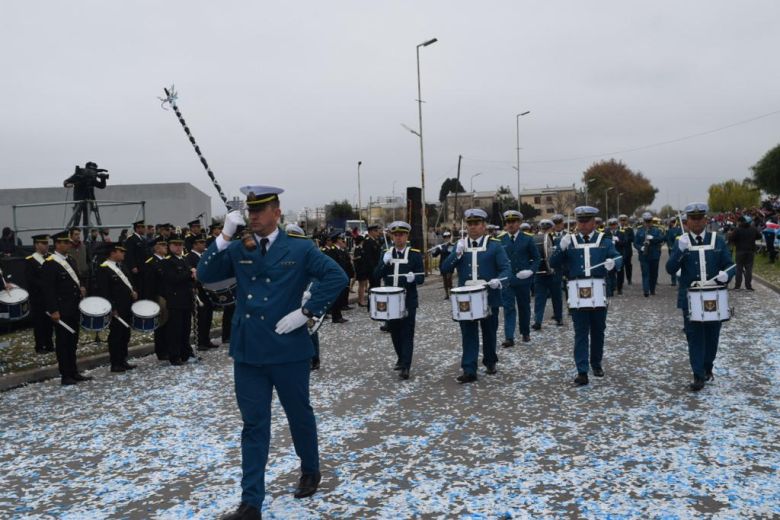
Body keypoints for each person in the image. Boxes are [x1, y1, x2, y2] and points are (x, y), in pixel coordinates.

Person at [197, 186, 346, 518]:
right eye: (249, 212)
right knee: (253, 426)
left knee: (299, 415)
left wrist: (307, 313)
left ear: (277, 212)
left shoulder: (300, 248)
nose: (253, 217)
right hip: (249, 352)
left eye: (259, 211)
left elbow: (337, 276)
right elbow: (205, 274)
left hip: (288, 350)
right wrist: (224, 234)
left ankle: (310, 468)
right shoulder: (239, 248)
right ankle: (251, 502)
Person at [550, 206, 623, 386]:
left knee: (598, 330)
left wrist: (612, 262)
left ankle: (596, 363)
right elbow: (553, 263)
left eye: (586, 221)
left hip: (598, 290)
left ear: (593, 222)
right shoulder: (569, 240)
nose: (582, 225)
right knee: (580, 332)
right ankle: (582, 370)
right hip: (576, 291)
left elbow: (618, 257)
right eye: (579, 221)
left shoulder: (603, 240)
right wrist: (560, 247)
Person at [666, 203, 734, 391]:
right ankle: (698, 375)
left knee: (712, 336)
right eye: (692, 219)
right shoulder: (682, 241)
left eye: (699, 218)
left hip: (714, 297)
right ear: (687, 222)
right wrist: (680, 251)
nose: (696, 222)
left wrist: (726, 275)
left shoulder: (717, 240)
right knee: (694, 336)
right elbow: (670, 269)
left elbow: (730, 264)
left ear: (705, 220)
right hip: (691, 298)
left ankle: (707, 367)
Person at [440, 208, 511, 383]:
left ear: (483, 225)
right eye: (470, 224)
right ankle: (469, 368)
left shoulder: (494, 245)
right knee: (468, 333)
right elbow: (445, 269)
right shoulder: (460, 246)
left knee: (489, 331)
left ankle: (490, 361)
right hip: (466, 298)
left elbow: (506, 268)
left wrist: (499, 280)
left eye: (476, 224)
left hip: (488, 295)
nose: (472, 227)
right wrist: (456, 255)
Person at [374, 221, 425, 380]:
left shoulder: (414, 254)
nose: (399, 238)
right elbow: (376, 276)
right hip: (391, 301)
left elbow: (421, 277)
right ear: (391, 236)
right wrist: (384, 263)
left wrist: (413, 278)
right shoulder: (386, 253)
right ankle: (401, 358)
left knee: (407, 332)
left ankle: (406, 366)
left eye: (401, 235)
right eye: (395, 235)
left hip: (408, 299)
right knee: (394, 332)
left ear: (407, 236)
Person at [42, 231, 91, 385]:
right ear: (57, 244)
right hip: (62, 309)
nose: (68, 245)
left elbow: (75, 280)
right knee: (63, 343)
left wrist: (81, 288)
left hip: (74, 307)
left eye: (68, 242)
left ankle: (74, 371)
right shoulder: (50, 263)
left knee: (73, 341)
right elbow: (48, 289)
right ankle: (66, 374)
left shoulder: (70, 260)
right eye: (64, 242)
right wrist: (53, 310)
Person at [498, 210, 539, 346]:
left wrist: (531, 271)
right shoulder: (500, 239)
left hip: (523, 280)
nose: (511, 225)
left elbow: (536, 258)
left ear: (519, 223)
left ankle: (525, 332)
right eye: (508, 222)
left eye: (514, 222)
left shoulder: (527, 238)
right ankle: (509, 337)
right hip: (507, 281)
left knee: (524, 307)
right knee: (508, 308)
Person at [96, 243, 138, 373]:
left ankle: (123, 359)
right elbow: (104, 291)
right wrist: (112, 308)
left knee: (125, 334)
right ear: (113, 253)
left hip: (127, 306)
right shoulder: (104, 268)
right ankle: (115, 363)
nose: (123, 253)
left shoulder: (122, 266)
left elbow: (129, 283)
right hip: (116, 308)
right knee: (116, 335)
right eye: (121, 251)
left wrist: (133, 292)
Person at [161, 232, 196, 365]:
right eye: (175, 245)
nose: (178, 247)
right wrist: (189, 274)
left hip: (186, 298)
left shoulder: (184, 259)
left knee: (186, 329)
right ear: (170, 246)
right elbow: (173, 279)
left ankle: (185, 353)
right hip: (175, 299)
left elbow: (189, 280)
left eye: (180, 245)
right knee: (175, 330)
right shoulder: (167, 262)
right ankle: (174, 356)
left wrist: (193, 279)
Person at [188, 235, 219, 350]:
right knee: (200, 317)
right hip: (199, 290)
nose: (204, 244)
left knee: (208, 317)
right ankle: (200, 342)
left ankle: (206, 339)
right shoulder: (190, 257)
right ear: (195, 245)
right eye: (201, 243)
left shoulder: (204, 256)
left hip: (208, 289)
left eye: (203, 242)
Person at [25, 234, 54, 353]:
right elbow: (30, 279)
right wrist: (44, 285)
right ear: (37, 245)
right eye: (44, 243)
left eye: (47, 243)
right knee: (39, 322)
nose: (47, 246)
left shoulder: (50, 258)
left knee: (49, 322)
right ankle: (40, 345)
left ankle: (49, 344)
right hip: (38, 296)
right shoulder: (31, 260)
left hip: (49, 296)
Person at [142, 236, 170, 360]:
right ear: (156, 248)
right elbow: (148, 284)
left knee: (169, 324)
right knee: (161, 324)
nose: (166, 248)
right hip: (158, 297)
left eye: (166, 245)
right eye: (163, 246)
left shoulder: (166, 261)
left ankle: (168, 348)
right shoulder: (151, 263)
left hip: (168, 296)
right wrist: (150, 300)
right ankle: (161, 351)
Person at [532, 219, 563, 329]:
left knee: (556, 297)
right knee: (539, 298)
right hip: (540, 273)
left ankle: (559, 318)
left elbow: (562, 255)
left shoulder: (558, 239)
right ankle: (538, 321)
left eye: (547, 228)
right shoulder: (534, 239)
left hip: (554, 272)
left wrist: (556, 250)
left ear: (552, 228)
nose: (545, 230)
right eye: (543, 228)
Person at [634, 212, 665, 297]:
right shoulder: (640, 231)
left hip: (654, 255)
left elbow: (662, 238)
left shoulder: (656, 230)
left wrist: (653, 238)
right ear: (643, 221)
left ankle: (652, 289)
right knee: (645, 273)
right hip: (644, 256)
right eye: (646, 221)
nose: (648, 223)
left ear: (651, 221)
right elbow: (635, 243)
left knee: (654, 273)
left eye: (649, 221)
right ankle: (646, 291)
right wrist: (641, 248)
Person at [728, 215, 762, 291]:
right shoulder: (753, 229)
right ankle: (748, 286)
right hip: (750, 251)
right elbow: (759, 236)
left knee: (739, 269)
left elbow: (731, 238)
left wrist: (731, 234)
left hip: (740, 251)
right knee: (749, 269)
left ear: (739, 222)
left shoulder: (737, 229)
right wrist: (753, 238)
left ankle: (737, 286)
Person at [123, 220, 149, 290]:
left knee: (144, 286)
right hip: (137, 267)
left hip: (143, 266)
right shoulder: (131, 239)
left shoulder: (142, 239)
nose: (144, 229)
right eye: (143, 227)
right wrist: (133, 266)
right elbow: (129, 254)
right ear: (137, 228)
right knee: (138, 286)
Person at [431, 230, 455, 299]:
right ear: (443, 238)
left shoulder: (452, 246)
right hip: (442, 265)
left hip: (450, 265)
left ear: (450, 237)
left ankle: (451, 292)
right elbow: (435, 255)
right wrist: (433, 251)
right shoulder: (441, 246)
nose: (446, 238)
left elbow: (451, 253)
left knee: (449, 279)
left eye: (448, 237)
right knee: (445, 280)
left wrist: (443, 248)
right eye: (445, 237)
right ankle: (446, 294)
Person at [617, 214, 634, 286]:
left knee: (628, 266)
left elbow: (633, 238)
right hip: (619, 251)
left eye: (624, 220)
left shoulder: (630, 229)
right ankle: (621, 281)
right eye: (621, 220)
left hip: (627, 251)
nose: (623, 222)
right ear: (619, 221)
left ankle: (629, 279)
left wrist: (627, 238)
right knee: (620, 267)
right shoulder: (617, 229)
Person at [666, 217, 683, 286]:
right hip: (672, 250)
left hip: (680, 249)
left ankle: (680, 280)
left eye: (671, 222)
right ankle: (673, 281)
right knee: (673, 263)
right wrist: (671, 247)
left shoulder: (679, 229)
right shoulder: (670, 230)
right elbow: (668, 239)